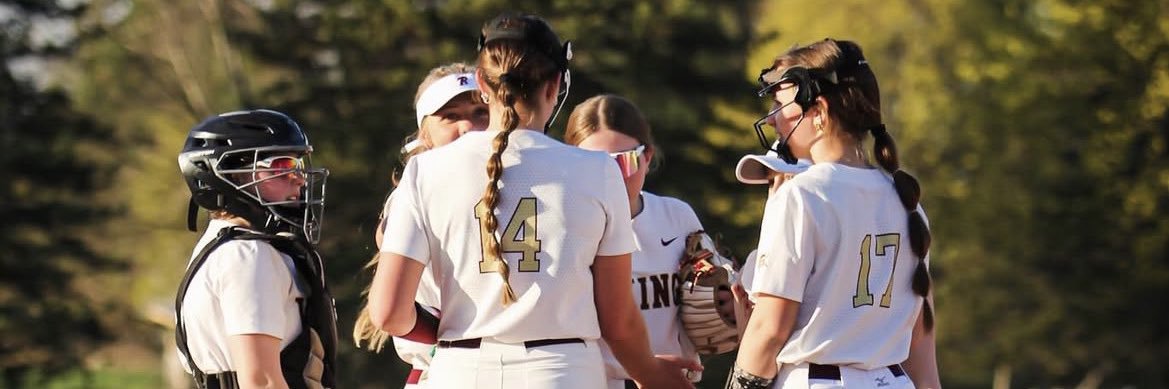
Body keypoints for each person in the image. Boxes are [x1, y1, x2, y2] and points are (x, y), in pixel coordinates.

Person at [366, 12, 699, 389]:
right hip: (563, 370)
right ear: (555, 84)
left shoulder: (425, 171)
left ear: (482, 83)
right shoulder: (597, 171)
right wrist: (652, 376)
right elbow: (618, 320)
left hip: (459, 371)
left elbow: (389, 313)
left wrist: (443, 332)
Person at [729, 39, 942, 389]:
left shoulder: (802, 194)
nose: (773, 120)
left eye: (781, 105)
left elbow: (770, 329)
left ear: (819, 111)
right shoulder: (906, 200)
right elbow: (918, 337)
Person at [564, 94, 739, 389]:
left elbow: (720, 297)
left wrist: (729, 301)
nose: (613, 174)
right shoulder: (566, 227)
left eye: (625, 160)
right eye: (595, 163)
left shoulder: (676, 216)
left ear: (647, 157)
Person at [174, 109, 338, 389]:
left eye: (297, 166)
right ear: (232, 175)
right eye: (281, 166)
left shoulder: (219, 247)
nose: (299, 178)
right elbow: (261, 381)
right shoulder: (248, 256)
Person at [352, 62, 489, 389]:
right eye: (451, 116)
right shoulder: (410, 198)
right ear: (424, 134)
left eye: (480, 112)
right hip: (445, 370)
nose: (468, 126)